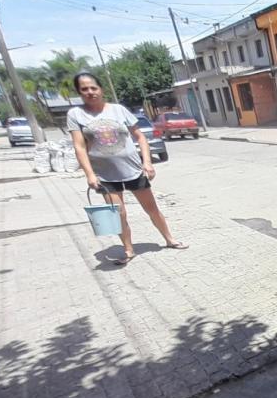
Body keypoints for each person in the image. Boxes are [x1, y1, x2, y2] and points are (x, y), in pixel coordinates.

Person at [67, 71, 187, 265]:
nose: (90, 92)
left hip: (133, 170)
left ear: (101, 89)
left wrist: (147, 163)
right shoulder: (76, 114)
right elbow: (79, 146)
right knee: (118, 213)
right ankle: (128, 249)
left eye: (93, 87)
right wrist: (89, 174)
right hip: (105, 175)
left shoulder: (118, 110)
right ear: (79, 92)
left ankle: (169, 239)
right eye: (84, 89)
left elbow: (140, 137)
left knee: (152, 209)